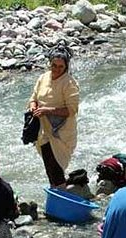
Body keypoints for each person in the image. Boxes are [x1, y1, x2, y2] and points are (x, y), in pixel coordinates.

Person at [28, 44, 80, 188]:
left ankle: (60, 195)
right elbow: (33, 97)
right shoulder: (43, 78)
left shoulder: (69, 83)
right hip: (43, 131)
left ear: (66, 67)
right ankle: (56, 190)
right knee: (49, 166)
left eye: (60, 67)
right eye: (54, 65)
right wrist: (33, 107)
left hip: (61, 133)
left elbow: (72, 109)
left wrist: (47, 110)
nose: (56, 69)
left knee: (56, 167)